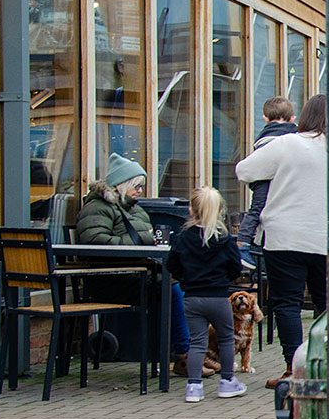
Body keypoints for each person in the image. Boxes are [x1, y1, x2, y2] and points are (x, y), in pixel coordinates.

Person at [74, 152, 197, 374]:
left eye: (141, 186)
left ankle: (194, 352)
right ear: (121, 184)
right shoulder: (97, 207)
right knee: (172, 287)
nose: (140, 191)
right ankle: (184, 355)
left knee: (185, 283)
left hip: (133, 272)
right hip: (111, 278)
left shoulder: (133, 208)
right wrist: (138, 241)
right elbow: (94, 241)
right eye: (136, 186)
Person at [236, 94, 328, 388]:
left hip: (284, 237)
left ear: (303, 116)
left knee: (287, 304)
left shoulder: (287, 143)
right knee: (327, 304)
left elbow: (244, 171)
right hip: (326, 238)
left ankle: (293, 369)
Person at [167, 186, 248, 403]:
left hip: (192, 298)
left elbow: (172, 265)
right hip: (218, 297)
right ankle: (227, 382)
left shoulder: (183, 237)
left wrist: (186, 278)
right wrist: (224, 278)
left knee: (197, 342)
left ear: (191, 211)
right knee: (226, 338)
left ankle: (194, 387)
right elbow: (235, 267)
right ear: (220, 211)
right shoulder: (225, 239)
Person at [237, 97, 298, 259]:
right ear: (292, 118)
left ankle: (243, 243)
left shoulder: (262, 136)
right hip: (281, 179)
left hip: (261, 179)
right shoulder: (294, 135)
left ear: (265, 119)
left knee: (256, 209)